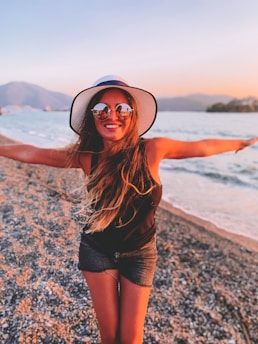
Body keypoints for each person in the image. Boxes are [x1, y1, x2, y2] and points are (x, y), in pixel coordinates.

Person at [0, 75, 257, 344]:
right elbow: (32, 152)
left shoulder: (153, 150)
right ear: (92, 117)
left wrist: (238, 143)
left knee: (132, 338)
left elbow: (202, 147)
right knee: (110, 337)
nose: (112, 115)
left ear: (132, 115)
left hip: (140, 253)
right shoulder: (87, 157)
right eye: (101, 109)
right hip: (97, 250)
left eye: (122, 108)